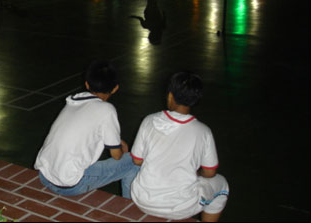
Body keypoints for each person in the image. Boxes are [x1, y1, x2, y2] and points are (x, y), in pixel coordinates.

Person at [130, 72, 229, 222]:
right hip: (181, 207)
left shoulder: (149, 120)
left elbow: (137, 160)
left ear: (170, 96)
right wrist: (196, 174)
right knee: (222, 185)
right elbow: (210, 172)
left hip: (142, 199)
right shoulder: (203, 131)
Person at [34, 60, 140, 199]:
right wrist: (120, 149)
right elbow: (116, 155)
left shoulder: (74, 101)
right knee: (134, 161)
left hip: (45, 176)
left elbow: (84, 129)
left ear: (87, 84)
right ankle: (128, 208)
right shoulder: (107, 110)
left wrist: (118, 142)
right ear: (115, 88)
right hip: (69, 185)